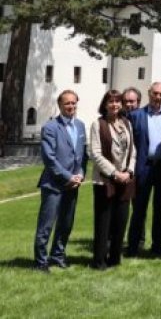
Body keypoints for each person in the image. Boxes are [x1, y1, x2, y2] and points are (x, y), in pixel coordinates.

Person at [33, 90, 87, 272]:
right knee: (46, 225)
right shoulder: (50, 127)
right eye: (67, 104)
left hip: (73, 185)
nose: (71, 106)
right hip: (54, 185)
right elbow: (49, 159)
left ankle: (57, 255)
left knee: (66, 224)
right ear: (60, 106)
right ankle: (41, 262)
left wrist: (80, 175)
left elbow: (81, 156)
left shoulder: (80, 126)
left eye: (73, 103)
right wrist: (68, 176)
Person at [89, 89, 136, 270]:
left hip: (125, 180)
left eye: (117, 102)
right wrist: (114, 173)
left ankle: (115, 258)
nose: (114, 105)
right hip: (105, 180)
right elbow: (95, 153)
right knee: (103, 223)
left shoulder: (126, 123)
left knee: (121, 220)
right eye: (111, 101)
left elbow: (133, 151)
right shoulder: (97, 124)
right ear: (105, 104)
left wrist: (129, 171)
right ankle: (99, 261)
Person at [127, 82, 161, 256]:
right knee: (139, 209)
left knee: (160, 210)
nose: (158, 97)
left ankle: (157, 246)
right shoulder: (136, 115)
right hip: (143, 167)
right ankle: (133, 247)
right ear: (149, 93)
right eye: (155, 93)